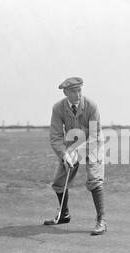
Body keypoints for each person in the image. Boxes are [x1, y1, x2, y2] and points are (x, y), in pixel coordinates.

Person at [43, 77, 107, 235]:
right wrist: (65, 155)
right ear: (65, 93)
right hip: (71, 146)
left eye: (79, 90)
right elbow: (55, 137)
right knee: (59, 182)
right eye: (73, 91)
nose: (77, 94)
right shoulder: (58, 108)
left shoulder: (91, 106)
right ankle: (64, 214)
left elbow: (93, 136)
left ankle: (102, 220)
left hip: (94, 143)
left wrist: (76, 154)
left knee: (94, 178)